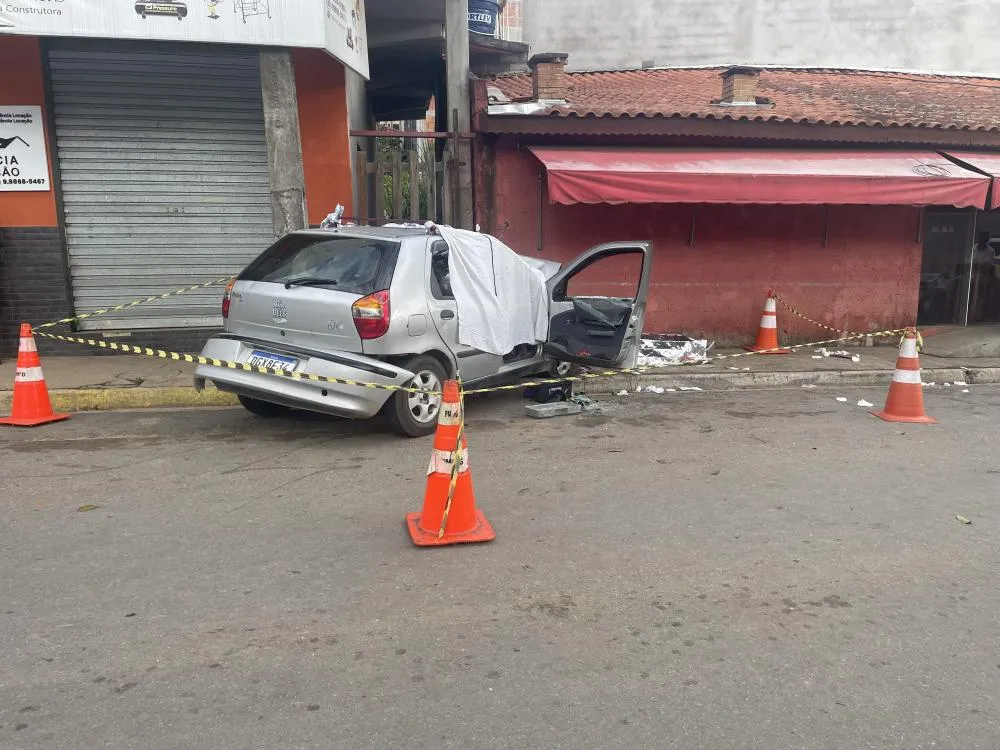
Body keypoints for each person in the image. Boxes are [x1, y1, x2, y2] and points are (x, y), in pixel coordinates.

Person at [969, 231, 995, 323]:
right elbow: (969, 263)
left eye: (984, 238)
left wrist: (979, 266)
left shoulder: (991, 251)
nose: (982, 240)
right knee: (969, 295)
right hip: (971, 277)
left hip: (984, 277)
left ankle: (979, 315)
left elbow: (987, 265)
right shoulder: (972, 249)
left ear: (987, 240)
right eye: (980, 238)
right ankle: (969, 315)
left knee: (982, 296)